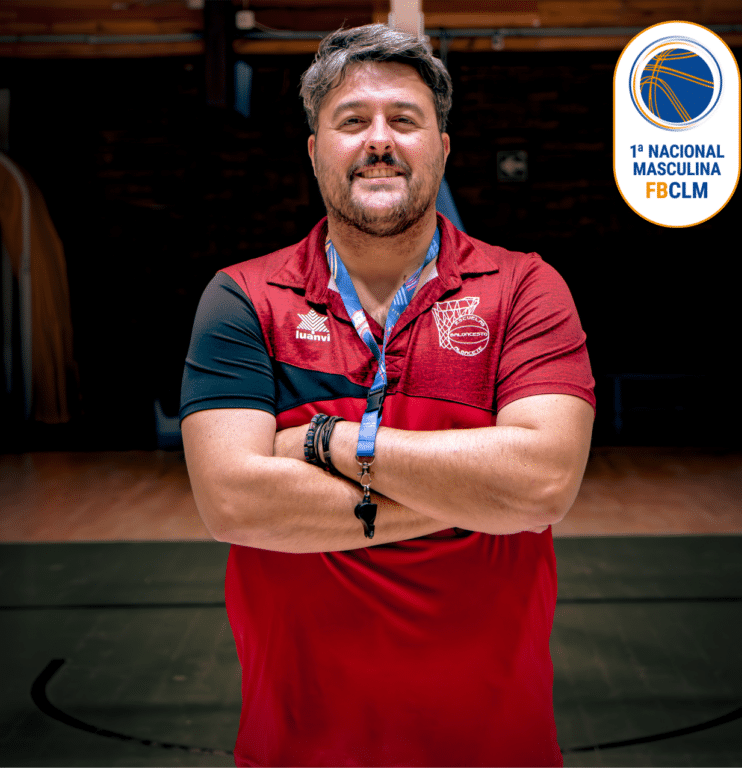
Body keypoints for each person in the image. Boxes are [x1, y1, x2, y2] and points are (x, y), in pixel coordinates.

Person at [180, 23, 595, 768]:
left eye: (404, 119)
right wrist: (480, 499)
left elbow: (541, 483)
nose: (379, 140)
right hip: (298, 751)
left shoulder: (525, 288)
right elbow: (232, 503)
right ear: (315, 152)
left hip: (498, 748)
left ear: (442, 148)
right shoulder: (242, 299)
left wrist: (326, 442)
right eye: (352, 122)